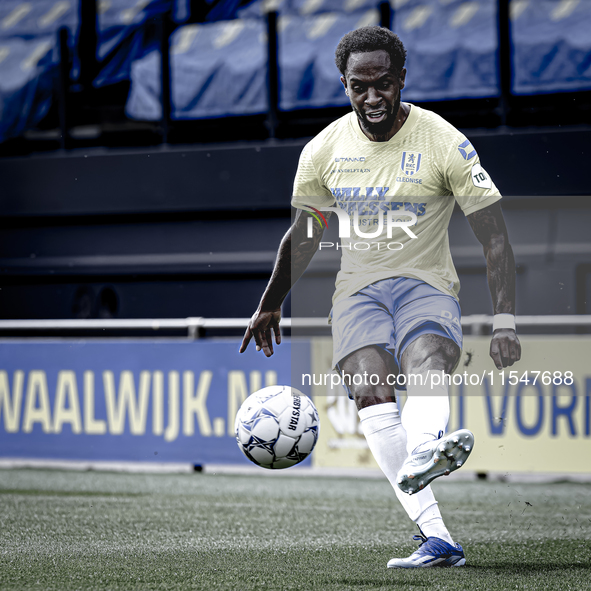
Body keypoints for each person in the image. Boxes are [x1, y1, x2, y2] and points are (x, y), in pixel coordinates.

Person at [240, 26, 521, 568]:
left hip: (426, 286)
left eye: (383, 85)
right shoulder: (323, 150)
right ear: (344, 84)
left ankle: (424, 451)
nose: (372, 98)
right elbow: (305, 235)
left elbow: (495, 235)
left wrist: (505, 318)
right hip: (358, 294)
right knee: (372, 390)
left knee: (424, 361)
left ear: (401, 81)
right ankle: (438, 536)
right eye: (358, 86)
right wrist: (270, 302)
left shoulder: (441, 140)